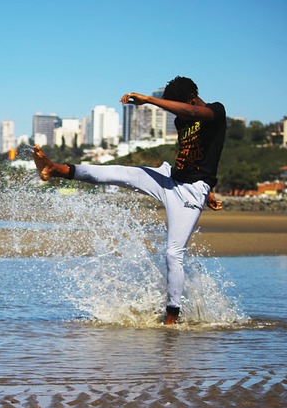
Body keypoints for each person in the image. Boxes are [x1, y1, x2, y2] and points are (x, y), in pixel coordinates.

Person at [32, 76, 226, 325]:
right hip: (171, 177)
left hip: (189, 192)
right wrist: (210, 185)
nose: (181, 114)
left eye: (179, 106)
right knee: (120, 173)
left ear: (190, 99)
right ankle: (56, 169)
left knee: (173, 253)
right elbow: (198, 155)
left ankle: (172, 318)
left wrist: (148, 100)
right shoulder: (181, 121)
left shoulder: (216, 111)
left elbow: (194, 116)